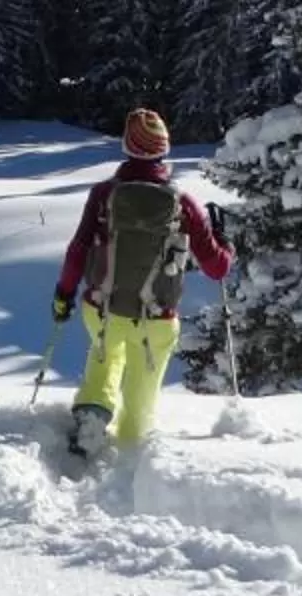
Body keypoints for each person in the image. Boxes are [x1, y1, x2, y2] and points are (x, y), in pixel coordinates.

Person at [49, 107, 231, 462]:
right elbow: (216, 269)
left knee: (104, 357)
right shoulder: (184, 203)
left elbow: (78, 250)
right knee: (142, 391)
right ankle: (132, 449)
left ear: (127, 147)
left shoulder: (104, 194)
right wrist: (225, 245)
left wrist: (64, 295)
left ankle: (92, 415)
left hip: (102, 307)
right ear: (164, 149)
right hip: (156, 318)